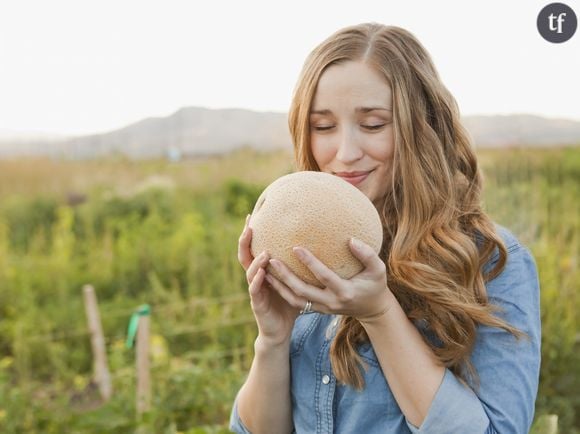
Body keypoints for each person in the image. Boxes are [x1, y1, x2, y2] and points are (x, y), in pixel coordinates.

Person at [229, 22, 541, 434]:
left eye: (374, 124)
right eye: (323, 127)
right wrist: (272, 338)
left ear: (421, 128)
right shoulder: (304, 251)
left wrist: (379, 313)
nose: (345, 153)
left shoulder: (490, 263)